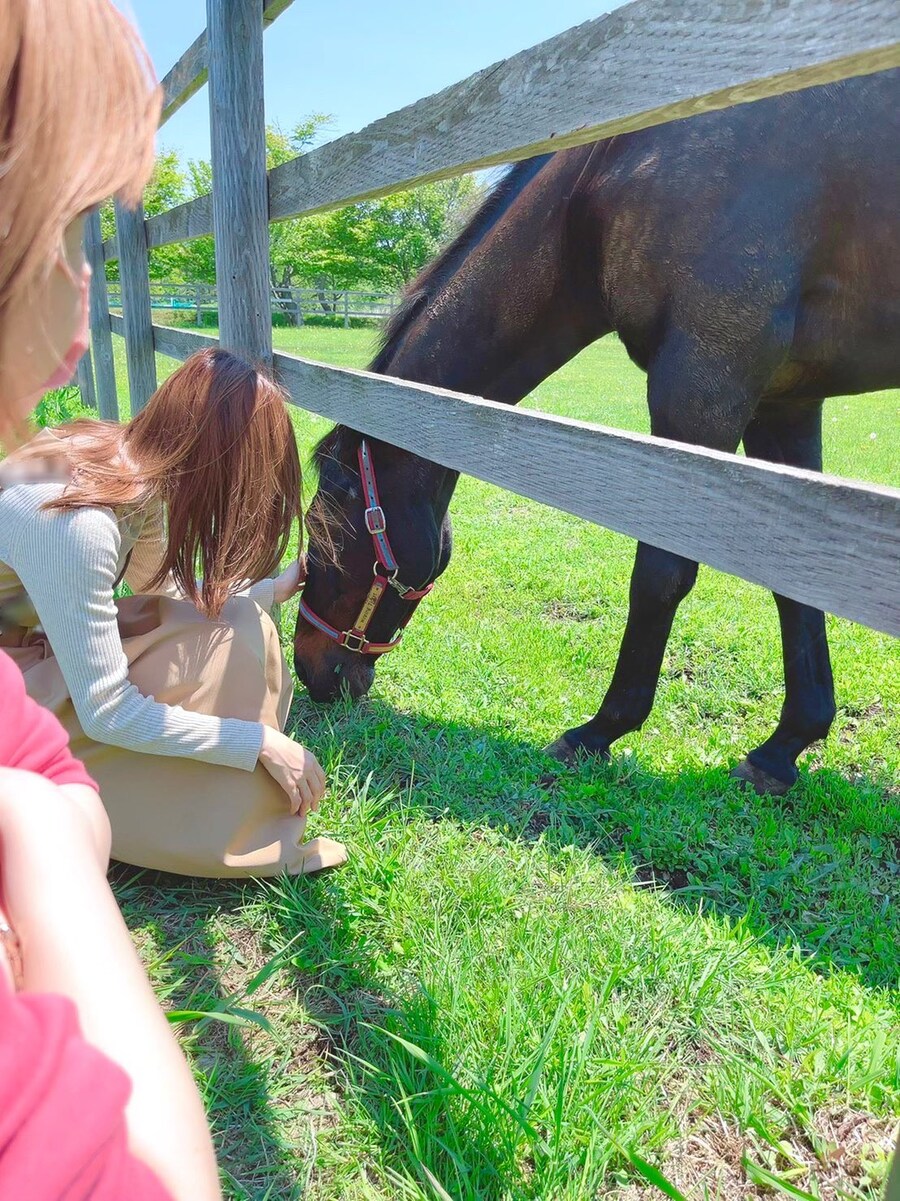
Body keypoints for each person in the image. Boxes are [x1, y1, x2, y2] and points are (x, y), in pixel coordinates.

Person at [0, 347, 347, 878]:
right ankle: (208, 824)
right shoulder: (80, 527)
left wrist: (265, 591)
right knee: (222, 648)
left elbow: (153, 586)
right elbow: (108, 713)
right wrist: (254, 741)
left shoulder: (120, 462)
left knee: (235, 624)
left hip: (30, 642)